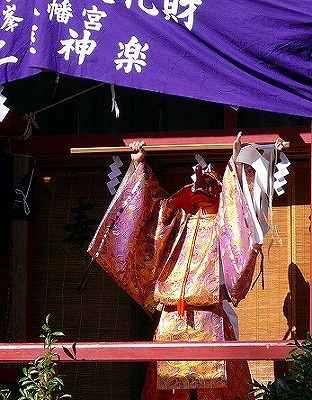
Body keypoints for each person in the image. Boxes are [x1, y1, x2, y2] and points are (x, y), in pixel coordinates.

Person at [88, 133, 286, 400]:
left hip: (210, 317)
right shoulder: (176, 220)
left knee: (216, 389)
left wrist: (236, 163)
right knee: (169, 391)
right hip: (171, 318)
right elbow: (150, 212)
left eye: (211, 191)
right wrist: (138, 165)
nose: (202, 194)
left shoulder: (223, 224)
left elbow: (239, 221)